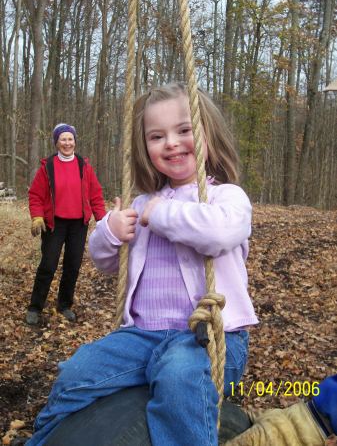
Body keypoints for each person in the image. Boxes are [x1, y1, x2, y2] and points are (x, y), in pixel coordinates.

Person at [26, 83, 258, 446]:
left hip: (213, 341)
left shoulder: (225, 196)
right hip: (142, 337)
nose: (171, 142)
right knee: (77, 371)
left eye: (184, 130)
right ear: (144, 147)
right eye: (156, 135)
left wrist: (159, 213)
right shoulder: (143, 202)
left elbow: (220, 233)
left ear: (207, 133)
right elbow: (105, 262)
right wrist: (111, 231)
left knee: (179, 374)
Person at [25, 123, 106, 326]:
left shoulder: (84, 166)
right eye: (63, 139)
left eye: (70, 139)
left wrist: (103, 220)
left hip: (78, 224)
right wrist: (37, 216)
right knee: (48, 265)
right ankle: (35, 307)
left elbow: (95, 195)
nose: (67, 143)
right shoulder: (48, 167)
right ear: (57, 142)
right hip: (54, 224)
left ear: (75, 141)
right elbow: (35, 195)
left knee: (73, 266)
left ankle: (64, 305)